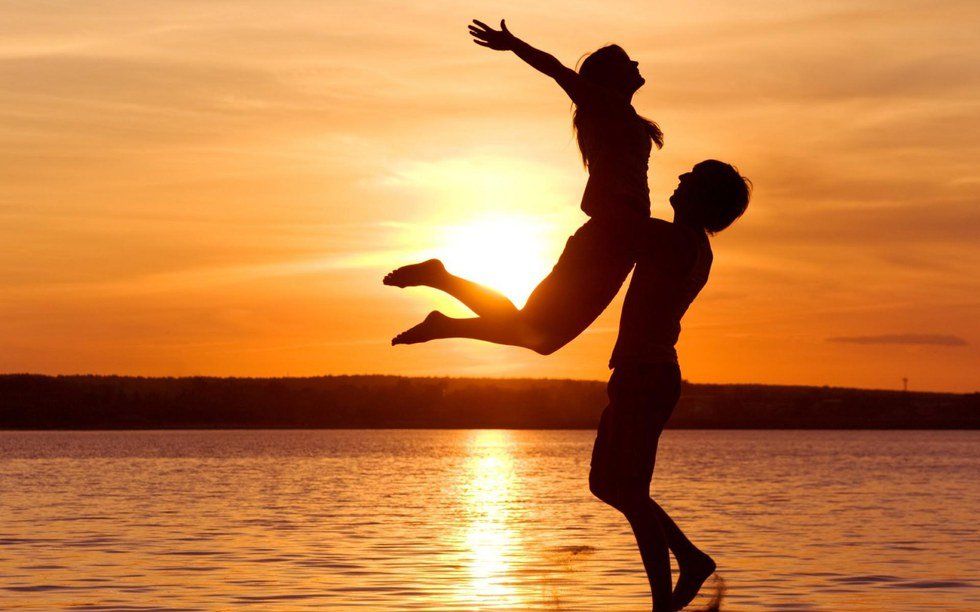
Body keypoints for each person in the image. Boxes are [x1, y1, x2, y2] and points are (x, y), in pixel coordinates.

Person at [384, 19, 662, 355]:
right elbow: (557, 70)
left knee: (542, 337)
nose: (636, 63)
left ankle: (442, 314)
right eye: (627, 61)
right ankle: (441, 288)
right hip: (609, 234)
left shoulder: (621, 115)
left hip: (622, 237)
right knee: (538, 332)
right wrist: (514, 44)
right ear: (611, 76)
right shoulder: (602, 106)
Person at [589, 160, 750, 611]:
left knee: (629, 491)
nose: (679, 178)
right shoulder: (684, 241)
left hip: (646, 377)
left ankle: (663, 603)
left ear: (703, 199)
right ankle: (691, 559)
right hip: (638, 375)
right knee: (605, 484)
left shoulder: (678, 241)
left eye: (691, 177)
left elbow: (614, 223)